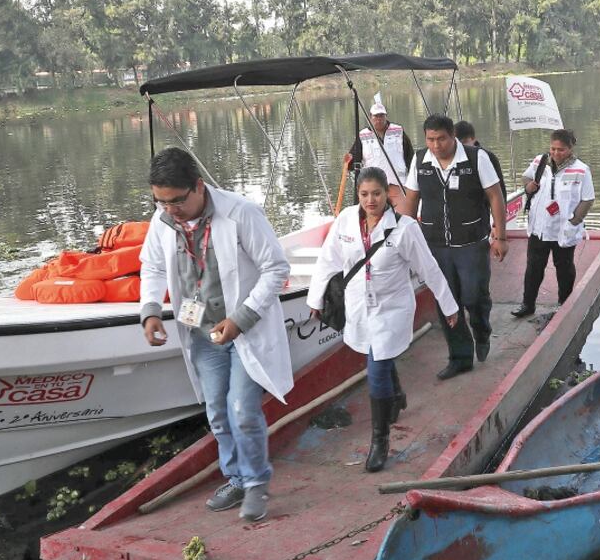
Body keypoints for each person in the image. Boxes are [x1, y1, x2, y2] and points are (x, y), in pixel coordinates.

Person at [139, 147, 292, 522]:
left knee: (242, 410)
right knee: (218, 413)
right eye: (160, 202)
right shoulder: (162, 221)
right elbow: (152, 268)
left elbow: (275, 268)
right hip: (202, 334)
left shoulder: (240, 213)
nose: (169, 209)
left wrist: (241, 318)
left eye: (176, 201)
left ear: (198, 187)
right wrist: (151, 311)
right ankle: (236, 477)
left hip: (242, 332)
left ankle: (256, 483)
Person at [307, 167, 459, 472]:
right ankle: (397, 394)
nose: (370, 200)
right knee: (379, 357)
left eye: (376, 193)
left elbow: (428, 268)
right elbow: (329, 259)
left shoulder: (404, 229)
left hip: (392, 309)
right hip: (359, 306)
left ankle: (380, 441)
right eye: (364, 194)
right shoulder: (347, 221)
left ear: (387, 195)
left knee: (375, 367)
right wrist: (315, 297)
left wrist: (448, 305)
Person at [400, 114, 509, 380]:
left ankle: (481, 328)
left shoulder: (475, 158)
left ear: (452, 137)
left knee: (474, 296)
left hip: (472, 243)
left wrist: (500, 237)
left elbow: (495, 196)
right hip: (435, 246)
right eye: (430, 139)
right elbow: (411, 201)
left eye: (441, 139)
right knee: (447, 302)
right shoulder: (420, 161)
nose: (436, 145)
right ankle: (460, 357)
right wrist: (401, 241)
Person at [512, 129, 595, 318]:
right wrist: (528, 186)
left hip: (563, 230)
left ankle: (564, 304)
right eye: (553, 149)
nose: (556, 153)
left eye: (561, 150)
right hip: (539, 228)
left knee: (564, 268)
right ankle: (528, 304)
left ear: (570, 148)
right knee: (533, 267)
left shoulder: (581, 170)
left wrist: (574, 222)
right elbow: (526, 177)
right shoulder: (540, 162)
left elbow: (588, 199)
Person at [347, 94, 414, 206]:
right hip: (374, 186)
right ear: (370, 117)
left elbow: (410, 156)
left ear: (386, 116)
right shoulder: (363, 136)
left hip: (398, 183)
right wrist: (348, 162)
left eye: (381, 116)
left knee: (401, 213)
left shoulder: (398, 131)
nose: (379, 119)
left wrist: (413, 179)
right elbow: (352, 161)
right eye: (376, 116)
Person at [455, 120, 506, 200]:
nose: (462, 147)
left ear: (473, 139)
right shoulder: (454, 157)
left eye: (465, 142)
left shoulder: (487, 157)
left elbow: (501, 189)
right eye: (458, 144)